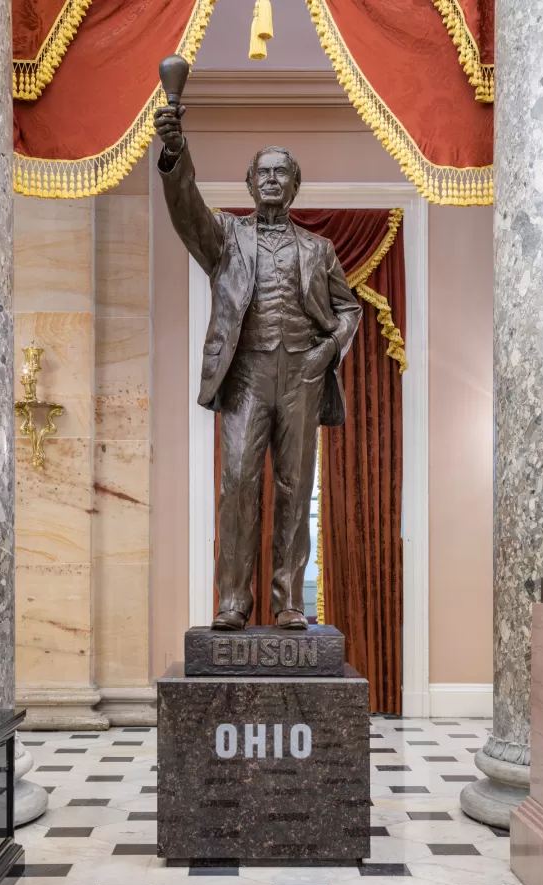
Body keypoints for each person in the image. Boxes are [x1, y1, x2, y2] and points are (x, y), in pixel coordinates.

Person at [155, 102, 361, 631]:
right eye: (263, 172)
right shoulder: (225, 238)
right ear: (250, 183)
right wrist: (176, 151)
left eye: (281, 172)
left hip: (302, 376)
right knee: (238, 482)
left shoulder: (320, 249)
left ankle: (288, 601)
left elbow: (349, 309)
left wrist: (327, 349)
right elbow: (186, 212)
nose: (271, 180)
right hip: (245, 375)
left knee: (295, 486)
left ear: (295, 184)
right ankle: (233, 602)